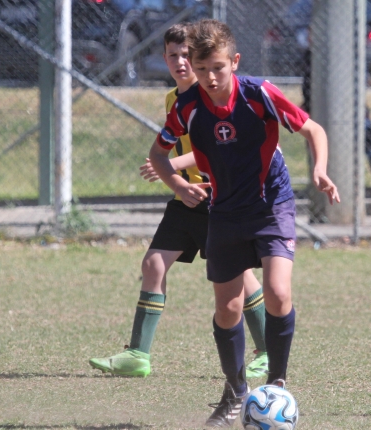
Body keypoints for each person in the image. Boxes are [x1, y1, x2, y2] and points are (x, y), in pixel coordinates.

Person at [149, 19, 339, 427]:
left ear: (234, 61)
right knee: (228, 308)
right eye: (201, 70)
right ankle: (236, 390)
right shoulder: (187, 107)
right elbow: (159, 155)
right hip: (226, 212)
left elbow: (313, 129)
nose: (209, 77)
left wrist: (320, 170)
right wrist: (179, 186)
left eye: (217, 67)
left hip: (272, 205)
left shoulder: (259, 94)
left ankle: (277, 385)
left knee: (277, 292)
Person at [88, 24, 270, 379]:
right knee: (154, 264)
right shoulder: (175, 99)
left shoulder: (217, 97)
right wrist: (172, 173)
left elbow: (214, 148)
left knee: (240, 275)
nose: (181, 62)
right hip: (185, 198)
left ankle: (266, 351)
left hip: (218, 198)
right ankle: (138, 354)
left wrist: (171, 164)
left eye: (188, 55)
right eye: (173, 55)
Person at [300, 51, 371, 198]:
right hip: (326, 111)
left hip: (350, 109)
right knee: (323, 148)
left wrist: (362, 107)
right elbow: (308, 86)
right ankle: (322, 187)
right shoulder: (313, 57)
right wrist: (309, 106)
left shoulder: (344, 57)